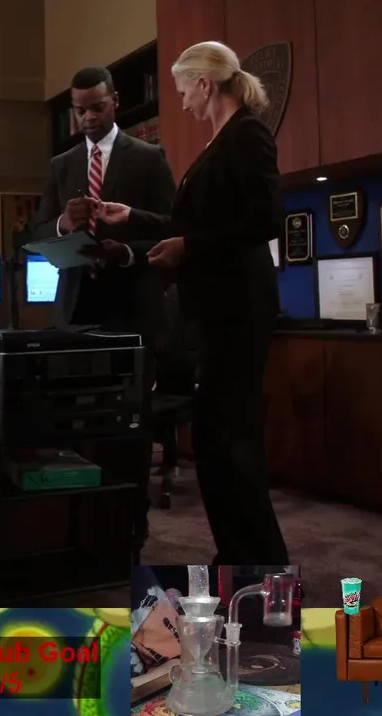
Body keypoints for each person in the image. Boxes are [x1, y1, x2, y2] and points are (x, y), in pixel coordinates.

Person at [92, 41, 288, 565]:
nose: (180, 101)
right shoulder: (220, 141)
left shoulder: (247, 134)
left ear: (204, 84)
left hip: (238, 312)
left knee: (232, 443)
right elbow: (190, 226)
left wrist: (190, 248)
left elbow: (266, 219)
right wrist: (132, 217)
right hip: (216, 312)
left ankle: (261, 566)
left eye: (182, 90)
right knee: (215, 442)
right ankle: (236, 560)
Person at [28, 66, 176, 562]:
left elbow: (171, 227)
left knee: (128, 428)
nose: (87, 117)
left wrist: (127, 250)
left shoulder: (149, 157)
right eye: (79, 109)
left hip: (132, 310)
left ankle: (130, 530)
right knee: (74, 425)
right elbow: (39, 232)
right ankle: (78, 527)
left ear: (115, 102)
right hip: (74, 313)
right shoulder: (61, 164)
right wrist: (63, 223)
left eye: (96, 107)